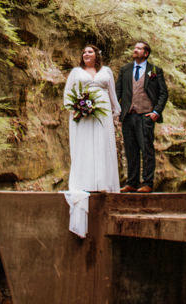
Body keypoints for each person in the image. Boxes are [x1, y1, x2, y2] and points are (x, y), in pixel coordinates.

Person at [63, 45, 120, 235]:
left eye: (90, 52)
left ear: (97, 55)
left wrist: (116, 113)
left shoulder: (107, 72)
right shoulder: (76, 72)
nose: (86, 54)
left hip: (103, 114)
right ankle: (84, 181)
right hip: (83, 115)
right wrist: (78, 107)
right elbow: (67, 95)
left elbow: (112, 94)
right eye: (84, 52)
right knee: (85, 147)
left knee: (103, 146)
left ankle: (103, 182)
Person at [116, 40, 168, 192]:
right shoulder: (125, 70)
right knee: (130, 150)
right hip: (128, 116)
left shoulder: (155, 70)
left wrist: (156, 112)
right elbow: (117, 92)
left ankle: (147, 183)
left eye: (139, 48)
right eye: (135, 48)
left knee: (146, 149)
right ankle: (132, 182)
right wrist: (117, 110)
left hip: (146, 115)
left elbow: (163, 93)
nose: (135, 50)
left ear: (146, 53)